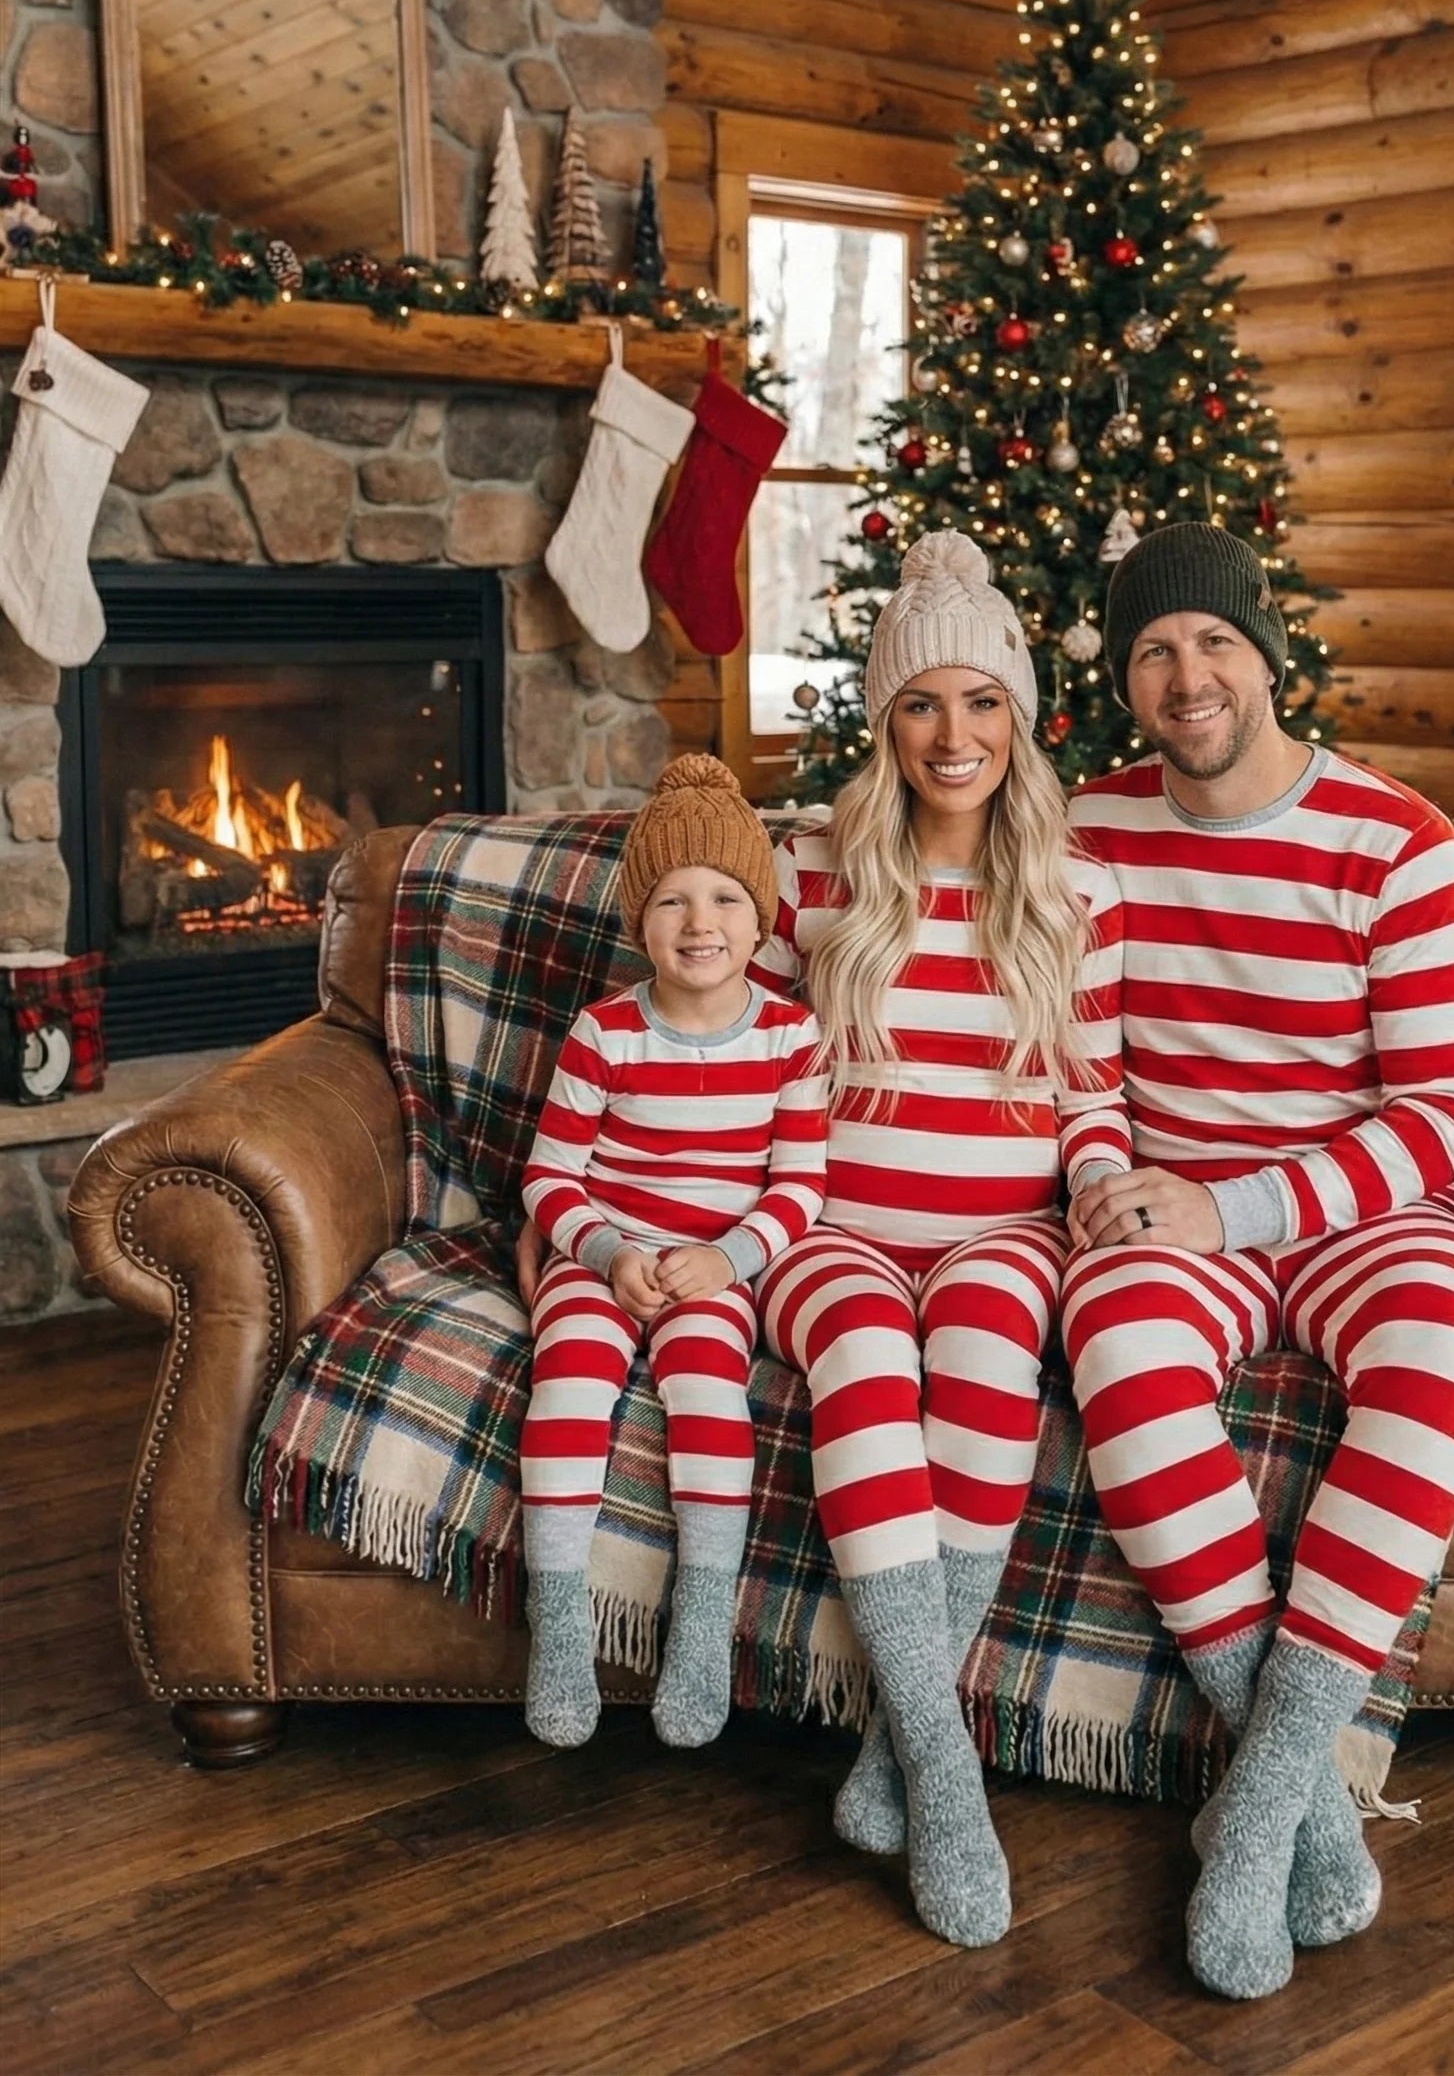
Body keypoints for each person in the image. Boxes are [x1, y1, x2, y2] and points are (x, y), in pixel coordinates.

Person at [1062, 520, 1454, 2001]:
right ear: (1124, 682)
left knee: (1443, 1346)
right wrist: (1117, 1176)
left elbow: (1444, 1111)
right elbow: (1070, 1060)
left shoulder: (1396, 839)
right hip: (1168, 1206)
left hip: (1352, 1210)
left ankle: (1250, 1812)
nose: (1185, 676)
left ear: (1263, 656)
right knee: (1116, 1345)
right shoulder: (1087, 831)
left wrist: (1244, 1207)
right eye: (1151, 653)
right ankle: (1305, 1792)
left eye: (1210, 644)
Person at [750, 529, 1127, 1951]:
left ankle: (890, 1758)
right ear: (881, 721)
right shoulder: (807, 872)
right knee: (854, 1355)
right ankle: (945, 1772)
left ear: (1017, 717)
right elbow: (738, 1062)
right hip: (831, 1223)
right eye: (919, 704)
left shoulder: (1084, 895)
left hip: (1006, 1235)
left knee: (982, 1362)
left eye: (978, 702)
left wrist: (1098, 1198)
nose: (949, 734)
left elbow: (1094, 1100)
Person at [518, 755, 827, 1754]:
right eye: (673, 901)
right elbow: (549, 1178)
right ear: (637, 921)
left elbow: (799, 1189)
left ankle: (700, 1626)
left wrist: (728, 1262)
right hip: (600, 1257)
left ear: (762, 916)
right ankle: (559, 1626)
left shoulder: (790, 1037)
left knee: (710, 1403)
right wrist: (604, 1251)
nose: (702, 923)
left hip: (713, 1269)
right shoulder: (604, 1033)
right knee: (567, 1386)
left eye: (728, 898)